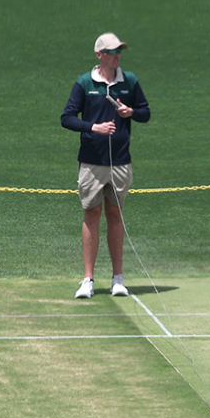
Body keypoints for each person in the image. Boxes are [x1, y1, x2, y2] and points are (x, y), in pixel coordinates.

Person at [61, 33, 151, 299]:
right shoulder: (85, 83)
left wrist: (131, 112)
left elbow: (145, 113)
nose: (117, 56)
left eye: (119, 51)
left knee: (115, 214)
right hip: (91, 162)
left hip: (121, 162)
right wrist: (93, 127)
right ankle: (88, 280)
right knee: (92, 214)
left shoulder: (129, 81)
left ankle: (118, 279)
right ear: (99, 54)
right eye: (112, 51)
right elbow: (66, 117)